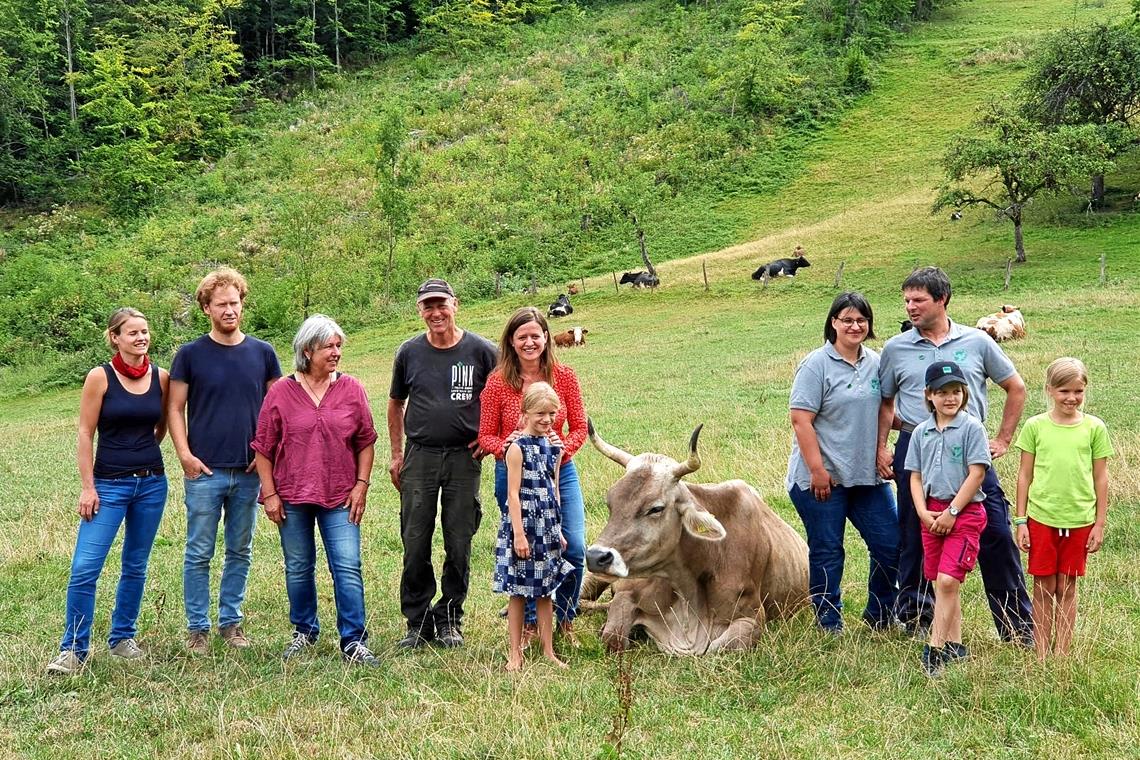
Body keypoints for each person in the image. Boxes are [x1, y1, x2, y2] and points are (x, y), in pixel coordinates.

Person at [877, 266, 1033, 646]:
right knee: (915, 533)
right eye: (907, 300)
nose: (910, 307)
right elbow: (884, 402)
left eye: (919, 300)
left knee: (995, 532)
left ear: (942, 299)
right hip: (917, 447)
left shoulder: (977, 342)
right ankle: (918, 619)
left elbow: (1016, 387)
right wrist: (882, 446)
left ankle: (1016, 626)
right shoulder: (896, 348)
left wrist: (1003, 438)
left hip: (970, 451)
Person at [47, 308, 170, 675]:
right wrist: (88, 487)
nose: (141, 338)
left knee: (135, 564)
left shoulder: (161, 377)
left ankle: (122, 639)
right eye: (132, 332)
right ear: (115, 337)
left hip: (151, 483)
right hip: (109, 486)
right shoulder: (100, 377)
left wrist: (144, 452)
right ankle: (73, 649)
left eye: (145, 332)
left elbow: (162, 426)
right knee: (85, 567)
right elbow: (86, 433)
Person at [251, 315, 379, 666]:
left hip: (340, 494)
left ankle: (353, 639)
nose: (336, 352)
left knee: (348, 566)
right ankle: (304, 631)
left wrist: (361, 486)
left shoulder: (351, 388)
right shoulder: (281, 391)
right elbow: (263, 448)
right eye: (329, 346)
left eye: (339, 345)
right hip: (291, 495)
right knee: (298, 566)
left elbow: (366, 441)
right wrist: (271, 494)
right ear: (307, 350)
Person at [168, 267, 281, 653]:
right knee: (199, 551)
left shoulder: (263, 353)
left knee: (240, 550)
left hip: (249, 471)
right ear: (206, 308)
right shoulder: (190, 355)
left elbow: (276, 409)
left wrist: (266, 454)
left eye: (235, 303)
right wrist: (184, 455)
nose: (229, 310)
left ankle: (231, 624)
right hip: (204, 471)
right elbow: (174, 408)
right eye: (221, 305)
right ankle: (197, 627)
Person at [388, 279, 498, 649]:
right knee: (414, 539)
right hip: (420, 455)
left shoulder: (482, 351)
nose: (435, 313)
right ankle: (417, 623)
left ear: (456, 304)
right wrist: (397, 453)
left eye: (441, 304)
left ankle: (450, 617)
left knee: (459, 539)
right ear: (420, 310)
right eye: (427, 306)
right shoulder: (409, 352)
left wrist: (488, 436)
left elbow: (504, 395)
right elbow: (395, 403)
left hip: (464, 459)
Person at [787, 292, 898, 635]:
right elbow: (800, 420)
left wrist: (886, 446)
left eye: (861, 320)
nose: (855, 326)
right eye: (847, 319)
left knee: (891, 544)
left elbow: (886, 409)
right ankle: (828, 622)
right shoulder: (816, 365)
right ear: (833, 323)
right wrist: (818, 471)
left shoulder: (877, 363)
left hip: (867, 476)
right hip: (823, 478)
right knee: (828, 550)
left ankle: (879, 614)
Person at [479, 306, 588, 642]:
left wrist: (561, 447)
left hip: (560, 473)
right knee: (525, 548)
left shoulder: (564, 376)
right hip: (514, 477)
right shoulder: (498, 382)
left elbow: (580, 427)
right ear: (511, 342)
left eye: (535, 335)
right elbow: (485, 436)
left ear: (545, 338)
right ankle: (528, 624)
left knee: (573, 547)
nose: (529, 342)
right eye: (521, 336)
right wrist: (508, 445)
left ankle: (565, 618)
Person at [1014, 357, 1113, 661]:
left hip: (1080, 520)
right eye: (1064, 391)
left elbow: (1101, 477)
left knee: (1067, 587)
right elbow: (1024, 476)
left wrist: (1099, 523)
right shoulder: (1035, 427)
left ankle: (1064, 653)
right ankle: (1042, 653)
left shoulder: (1094, 428)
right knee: (1043, 587)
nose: (1071, 398)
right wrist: (1021, 521)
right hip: (1042, 518)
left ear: (1085, 391)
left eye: (1078, 391)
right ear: (1049, 390)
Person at [904, 361, 992, 676]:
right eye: (942, 393)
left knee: (947, 580)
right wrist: (922, 512)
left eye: (955, 391)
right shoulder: (920, 432)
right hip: (930, 513)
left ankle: (936, 648)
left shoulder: (971, 428)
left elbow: (977, 473)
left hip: (963, 513)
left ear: (964, 393)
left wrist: (953, 511)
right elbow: (914, 476)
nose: (950, 398)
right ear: (929, 395)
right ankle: (956, 644)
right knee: (939, 581)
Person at [494, 382, 574, 671]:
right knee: (518, 591)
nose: (547, 420)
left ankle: (549, 650)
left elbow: (554, 489)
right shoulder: (516, 448)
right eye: (540, 413)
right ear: (525, 412)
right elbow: (512, 494)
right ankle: (515, 654)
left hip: (548, 525)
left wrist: (560, 530)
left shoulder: (553, 447)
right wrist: (518, 534)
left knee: (545, 590)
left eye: (552, 414)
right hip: (524, 526)